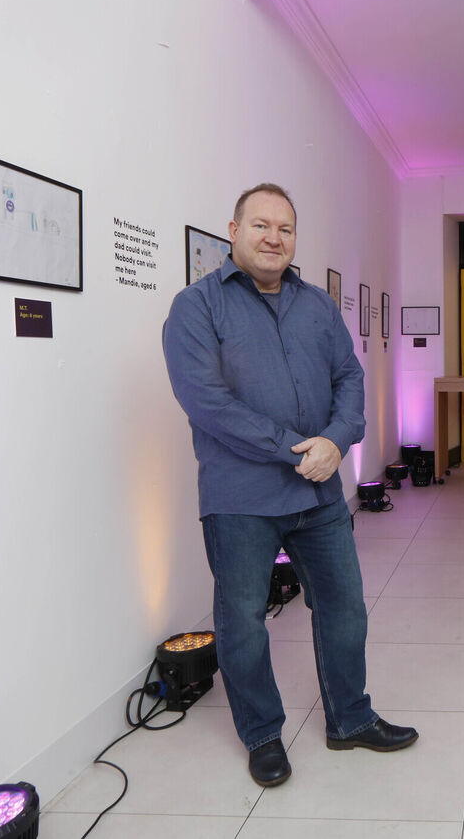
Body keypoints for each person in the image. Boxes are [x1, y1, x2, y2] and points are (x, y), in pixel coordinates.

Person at [162, 183, 417, 788]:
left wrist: (337, 439)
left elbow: (350, 376)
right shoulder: (196, 307)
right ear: (234, 229)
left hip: (321, 495)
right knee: (243, 620)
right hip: (241, 499)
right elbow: (207, 402)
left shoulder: (318, 307)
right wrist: (296, 450)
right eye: (261, 225)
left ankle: (350, 718)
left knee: (345, 608)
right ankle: (261, 734)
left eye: (286, 228)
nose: (274, 237)